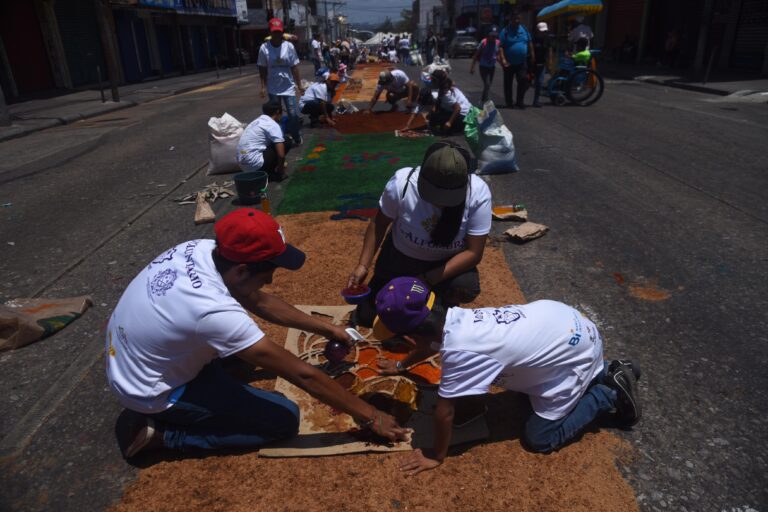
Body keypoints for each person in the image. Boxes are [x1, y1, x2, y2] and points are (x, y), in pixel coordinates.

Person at [107, 209, 410, 459]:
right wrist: (370, 415)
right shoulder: (213, 311)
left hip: (134, 357)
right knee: (282, 419)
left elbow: (258, 300)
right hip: (150, 389)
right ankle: (166, 436)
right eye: (267, 275)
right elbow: (303, 375)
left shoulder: (200, 249)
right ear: (241, 271)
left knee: (240, 360)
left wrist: (327, 328)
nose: (270, 280)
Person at [370, 276, 643, 474]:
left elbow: (445, 413)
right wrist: (400, 366)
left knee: (539, 438)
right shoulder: (455, 319)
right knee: (522, 397)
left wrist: (436, 455)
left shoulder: (460, 351)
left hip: (574, 352)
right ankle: (607, 370)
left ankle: (607, 393)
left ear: (408, 334)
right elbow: (426, 343)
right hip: (569, 325)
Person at [346, 142, 492, 329]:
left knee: (455, 297)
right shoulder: (403, 184)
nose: (441, 204)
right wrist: (363, 265)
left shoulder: (477, 193)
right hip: (401, 258)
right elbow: (379, 223)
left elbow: (474, 253)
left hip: (444, 265)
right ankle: (422, 297)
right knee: (369, 317)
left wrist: (426, 280)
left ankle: (439, 298)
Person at [257, 18, 303, 146]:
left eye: (279, 32)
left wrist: (299, 85)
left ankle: (296, 136)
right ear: (270, 32)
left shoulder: (289, 46)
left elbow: (294, 67)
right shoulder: (264, 48)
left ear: (282, 32)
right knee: (275, 116)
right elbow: (262, 68)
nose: (276, 34)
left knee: (293, 114)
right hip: (273, 87)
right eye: (274, 32)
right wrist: (263, 87)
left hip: (288, 86)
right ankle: (279, 139)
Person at [237, 99, 292, 181]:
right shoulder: (272, 125)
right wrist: (281, 171)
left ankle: (266, 169)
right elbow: (281, 155)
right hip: (255, 165)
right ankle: (269, 172)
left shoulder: (256, 121)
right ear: (277, 111)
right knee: (286, 141)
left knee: (274, 143)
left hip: (242, 164)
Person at [499, 12, 534, 109]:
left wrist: (532, 54)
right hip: (509, 62)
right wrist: (503, 59)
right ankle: (509, 102)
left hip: (521, 62)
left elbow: (529, 42)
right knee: (508, 83)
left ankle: (519, 101)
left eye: (518, 18)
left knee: (523, 80)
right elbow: (501, 46)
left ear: (520, 19)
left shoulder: (525, 30)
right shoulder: (505, 31)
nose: (516, 21)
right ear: (511, 19)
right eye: (514, 19)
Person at [426, 69, 473, 135]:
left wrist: (449, 122)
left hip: (464, 115)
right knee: (435, 113)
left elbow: (458, 108)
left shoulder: (446, 95)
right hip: (466, 110)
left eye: (433, 80)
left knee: (441, 123)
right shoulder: (446, 84)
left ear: (438, 81)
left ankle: (456, 127)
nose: (431, 81)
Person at [469, 26, 506, 104]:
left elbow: (498, 55)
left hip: (492, 67)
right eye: (491, 36)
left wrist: (503, 63)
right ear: (488, 35)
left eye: (495, 36)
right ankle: (486, 101)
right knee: (487, 84)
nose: (493, 38)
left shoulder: (497, 43)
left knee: (488, 85)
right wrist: (472, 67)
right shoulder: (484, 42)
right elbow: (476, 55)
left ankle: (482, 100)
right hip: (483, 66)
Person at [531, 22, 553, 108]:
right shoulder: (534, 38)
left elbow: (550, 50)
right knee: (526, 82)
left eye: (544, 31)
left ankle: (536, 101)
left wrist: (550, 62)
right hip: (533, 63)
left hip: (542, 63)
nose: (543, 33)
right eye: (541, 31)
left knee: (539, 82)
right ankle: (519, 99)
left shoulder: (547, 39)